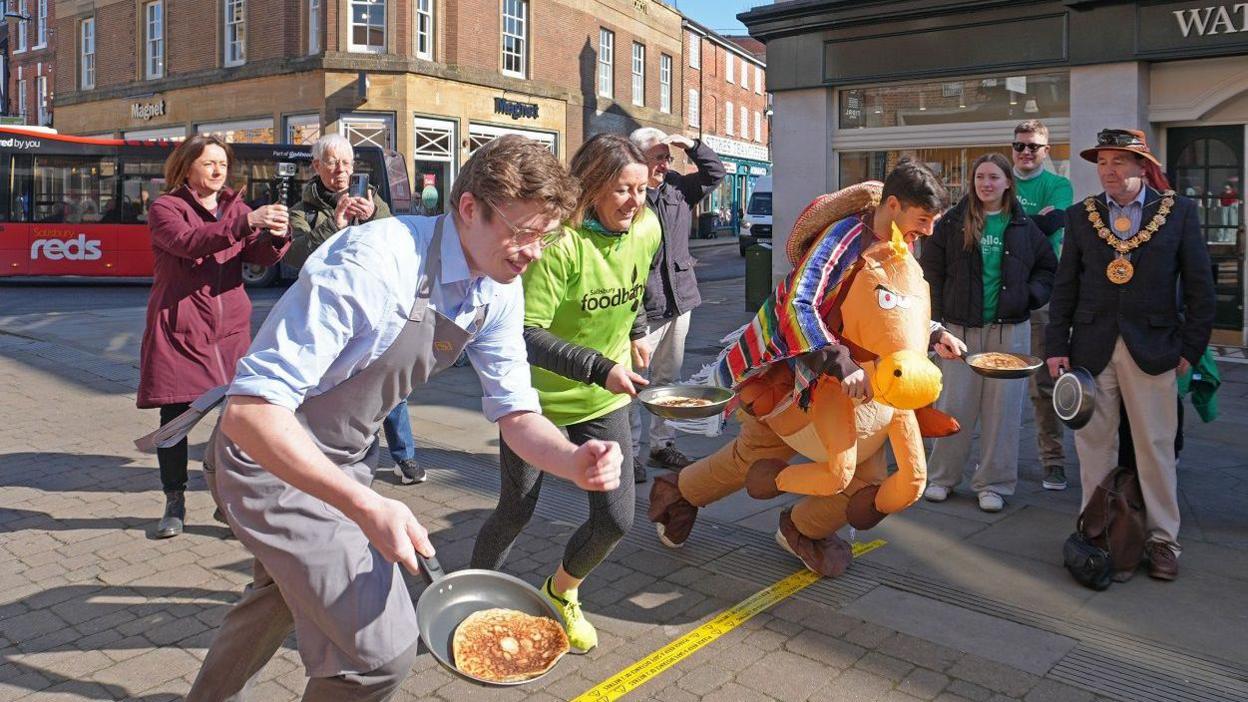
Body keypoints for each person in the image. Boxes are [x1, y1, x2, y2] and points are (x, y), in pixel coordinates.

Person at [185, 135, 622, 700]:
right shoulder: (372, 263)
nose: (533, 252)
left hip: (341, 459)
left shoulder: (498, 286)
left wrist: (571, 459)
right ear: (468, 209)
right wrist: (368, 504)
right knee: (379, 654)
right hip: (264, 460)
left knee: (277, 598)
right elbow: (249, 413)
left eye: (545, 236)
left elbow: (516, 413)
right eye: (522, 232)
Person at [650, 162, 966, 575]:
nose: (927, 231)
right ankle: (677, 495)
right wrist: (839, 361)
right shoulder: (843, 238)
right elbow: (799, 303)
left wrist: (932, 332)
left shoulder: (901, 240)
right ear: (893, 204)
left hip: (860, 384)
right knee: (757, 455)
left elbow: (897, 303)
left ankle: (802, 529)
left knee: (866, 479)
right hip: (794, 375)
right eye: (923, 219)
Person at [470, 134, 659, 653]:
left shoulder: (646, 228)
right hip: (540, 405)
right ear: (593, 188)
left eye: (642, 189)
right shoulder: (561, 245)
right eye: (623, 189)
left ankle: (561, 590)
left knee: (617, 518)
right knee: (517, 509)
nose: (635, 201)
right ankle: (472, 601)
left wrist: (638, 329)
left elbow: (633, 283)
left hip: (604, 399)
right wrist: (600, 367)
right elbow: (526, 333)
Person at [1046, 128, 1215, 581]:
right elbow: (1065, 287)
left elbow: (1201, 287)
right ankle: (1096, 531)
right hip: (1090, 349)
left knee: (1155, 448)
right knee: (1093, 447)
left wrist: (1191, 349)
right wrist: (1055, 347)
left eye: (1119, 162)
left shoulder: (1178, 212)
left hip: (1156, 347)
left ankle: (1163, 540)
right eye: (1102, 163)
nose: (1108, 171)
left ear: (1142, 166)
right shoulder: (1081, 215)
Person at [137, 135, 291, 539]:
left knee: (235, 421)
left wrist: (275, 235)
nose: (218, 170)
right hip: (181, 328)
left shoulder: (234, 207)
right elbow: (189, 244)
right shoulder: (165, 207)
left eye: (222, 163)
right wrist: (246, 222)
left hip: (230, 333)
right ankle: (175, 501)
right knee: (176, 421)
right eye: (209, 163)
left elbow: (255, 254)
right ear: (187, 167)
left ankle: (229, 503)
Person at [283, 135, 425, 485]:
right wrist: (337, 224)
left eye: (346, 163)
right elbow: (296, 258)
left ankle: (404, 457)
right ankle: (332, 457)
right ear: (316, 166)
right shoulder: (303, 212)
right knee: (334, 389)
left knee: (391, 385)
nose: (341, 170)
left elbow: (399, 240)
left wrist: (376, 216)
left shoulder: (372, 198)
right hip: (329, 315)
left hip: (379, 307)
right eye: (331, 162)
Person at [920, 153, 1056, 513]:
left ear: (1008, 182)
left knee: (1003, 412)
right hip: (959, 329)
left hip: (1009, 331)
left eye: (994, 177)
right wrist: (933, 322)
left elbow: (1048, 268)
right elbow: (929, 272)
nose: (986, 184)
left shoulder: (1025, 227)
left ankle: (993, 484)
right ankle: (942, 479)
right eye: (980, 177)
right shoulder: (950, 223)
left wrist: (1031, 296)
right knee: (953, 405)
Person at [626, 127, 726, 481]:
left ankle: (661, 445)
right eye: (659, 157)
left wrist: (692, 146)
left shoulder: (678, 189)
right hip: (642, 307)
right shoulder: (628, 196)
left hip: (679, 300)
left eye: (668, 157)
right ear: (638, 159)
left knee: (668, 379)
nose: (665, 164)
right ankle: (628, 454)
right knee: (633, 382)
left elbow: (716, 174)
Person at [1010, 120, 1074, 491]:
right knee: (986, 380)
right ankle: (983, 463)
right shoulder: (1000, 178)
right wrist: (1035, 220)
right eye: (1020, 146)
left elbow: (1054, 225)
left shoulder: (1058, 185)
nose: (1026, 152)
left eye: (1034, 146)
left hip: (1041, 294)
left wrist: (1007, 221)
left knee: (1044, 383)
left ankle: (1053, 460)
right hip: (996, 291)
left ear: (1046, 151)